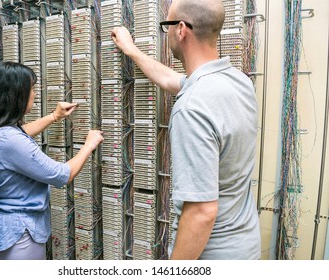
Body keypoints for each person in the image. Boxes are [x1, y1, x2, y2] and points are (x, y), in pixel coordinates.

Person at [111, 0, 260, 259]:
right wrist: (131, 50)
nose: (166, 33)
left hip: (212, 256)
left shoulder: (191, 108)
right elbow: (170, 79)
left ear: (181, 30)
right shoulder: (238, 81)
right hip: (245, 247)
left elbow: (202, 213)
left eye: (166, 26)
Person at [0, 61, 104, 260]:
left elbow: (21, 134)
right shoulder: (9, 140)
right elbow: (62, 175)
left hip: (4, 230)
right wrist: (89, 144)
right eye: (31, 88)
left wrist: (54, 116)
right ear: (16, 94)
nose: (34, 93)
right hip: (19, 237)